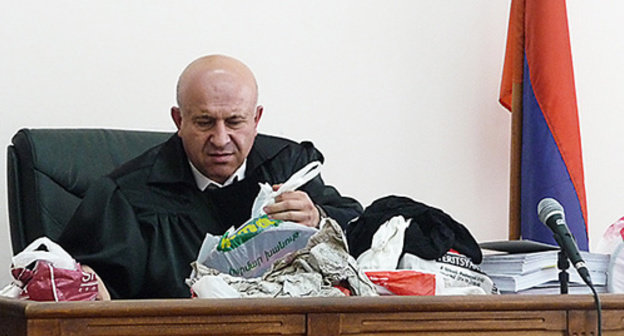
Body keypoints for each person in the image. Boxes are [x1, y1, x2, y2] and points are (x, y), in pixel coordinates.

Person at [58, 55, 363, 300]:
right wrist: (86, 286)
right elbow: (94, 287)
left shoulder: (288, 165)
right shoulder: (129, 194)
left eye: (234, 121)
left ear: (255, 119)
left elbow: (357, 228)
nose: (220, 139)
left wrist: (318, 219)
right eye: (205, 122)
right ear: (179, 120)